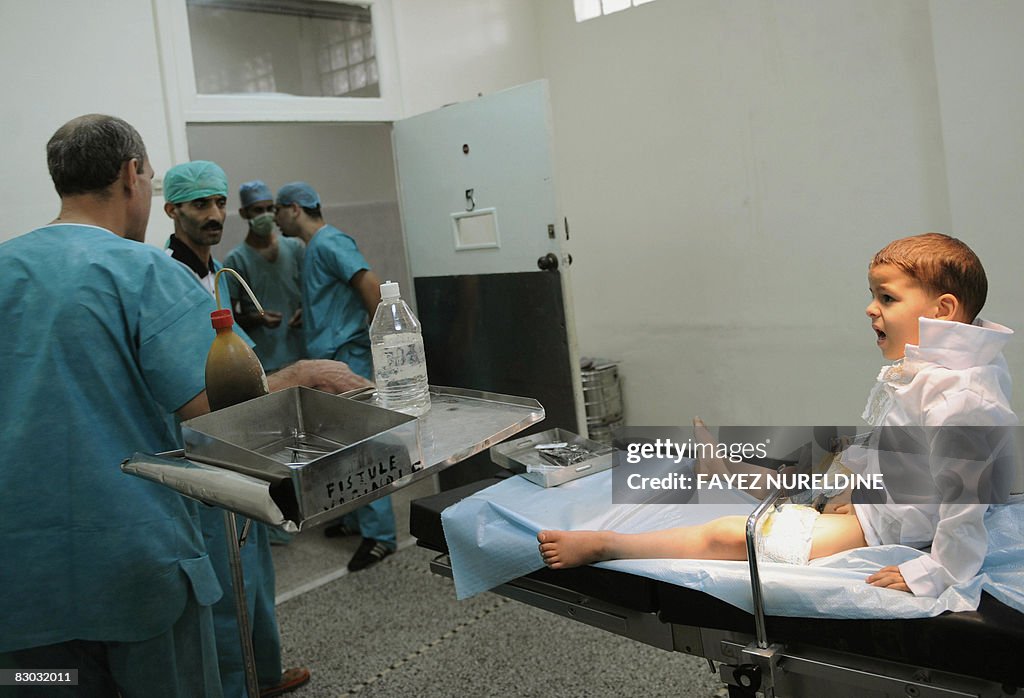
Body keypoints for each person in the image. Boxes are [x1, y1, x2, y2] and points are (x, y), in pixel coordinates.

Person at [0, 114, 367, 697]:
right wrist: (300, 373)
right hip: (131, 569)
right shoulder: (140, 271)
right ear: (134, 175)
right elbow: (223, 412)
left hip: (19, 586)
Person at [538, 233, 1016, 598]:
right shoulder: (940, 370)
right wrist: (857, 484)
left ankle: (606, 545)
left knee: (726, 535)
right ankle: (724, 471)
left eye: (886, 298)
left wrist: (934, 574)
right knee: (816, 468)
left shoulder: (965, 395)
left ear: (944, 309)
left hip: (890, 521)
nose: (870, 309)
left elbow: (965, 502)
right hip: (890, 496)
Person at [162, 162, 312, 697]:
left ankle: (263, 673)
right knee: (225, 580)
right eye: (200, 205)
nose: (215, 215)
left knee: (253, 565)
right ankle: (235, 685)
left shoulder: (219, 271)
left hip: (240, 432)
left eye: (219, 203)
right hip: (204, 438)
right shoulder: (166, 278)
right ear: (171, 210)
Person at [273, 181, 398, 572]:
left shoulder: (329, 242)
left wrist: (387, 342)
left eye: (276, 210)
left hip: (347, 359)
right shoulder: (315, 250)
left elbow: (369, 284)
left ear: (293, 208)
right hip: (330, 357)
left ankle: (381, 536)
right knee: (340, 449)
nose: (273, 220)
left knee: (364, 448)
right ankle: (357, 518)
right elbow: (335, 297)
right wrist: (308, 315)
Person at [224, 180, 306, 373]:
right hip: (263, 360)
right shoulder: (236, 260)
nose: (266, 215)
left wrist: (304, 311)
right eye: (258, 210)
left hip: (301, 351)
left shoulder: (294, 248)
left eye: (270, 209)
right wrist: (257, 318)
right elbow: (229, 318)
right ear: (244, 213)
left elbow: (311, 293)